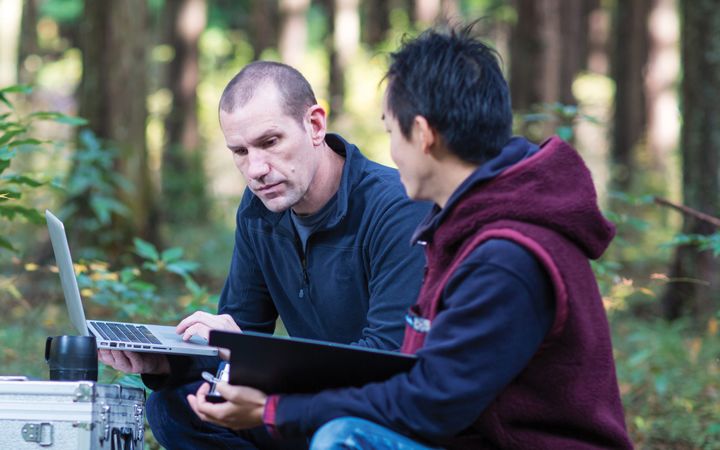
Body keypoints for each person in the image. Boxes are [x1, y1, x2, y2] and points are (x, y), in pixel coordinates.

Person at [186, 27, 634, 450]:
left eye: (389, 131)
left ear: (422, 134)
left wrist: (273, 409)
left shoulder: (506, 255)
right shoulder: (466, 226)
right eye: (241, 152)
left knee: (346, 439)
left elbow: (431, 401)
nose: (390, 153)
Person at [99, 61, 430, 449]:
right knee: (175, 406)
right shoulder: (259, 211)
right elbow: (242, 336)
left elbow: (386, 359)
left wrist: (266, 371)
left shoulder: (397, 208)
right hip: (300, 404)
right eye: (239, 151)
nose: (255, 169)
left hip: (379, 417)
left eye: (270, 142)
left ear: (315, 126)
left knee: (332, 435)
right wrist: (166, 364)